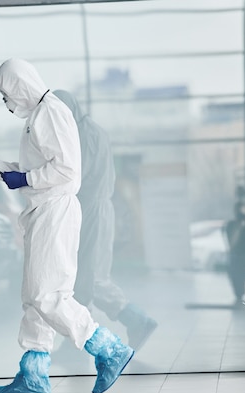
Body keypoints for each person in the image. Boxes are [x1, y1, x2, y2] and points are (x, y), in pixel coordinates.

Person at [0, 58, 134, 393]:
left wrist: (23, 178)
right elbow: (30, 170)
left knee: (48, 295)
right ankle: (34, 374)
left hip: (56, 211)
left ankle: (108, 348)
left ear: (21, 85)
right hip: (43, 210)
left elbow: (67, 171)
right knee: (34, 297)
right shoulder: (38, 117)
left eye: (5, 93)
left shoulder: (50, 112)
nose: (5, 101)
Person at [52, 90, 158, 351]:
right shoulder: (90, 130)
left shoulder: (84, 135)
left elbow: (75, 177)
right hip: (93, 208)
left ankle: (136, 320)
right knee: (83, 278)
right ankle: (76, 341)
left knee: (92, 278)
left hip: (92, 210)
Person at [224, 201, 245, 305]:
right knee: (236, 269)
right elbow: (232, 243)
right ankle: (239, 295)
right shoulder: (232, 225)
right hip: (239, 257)